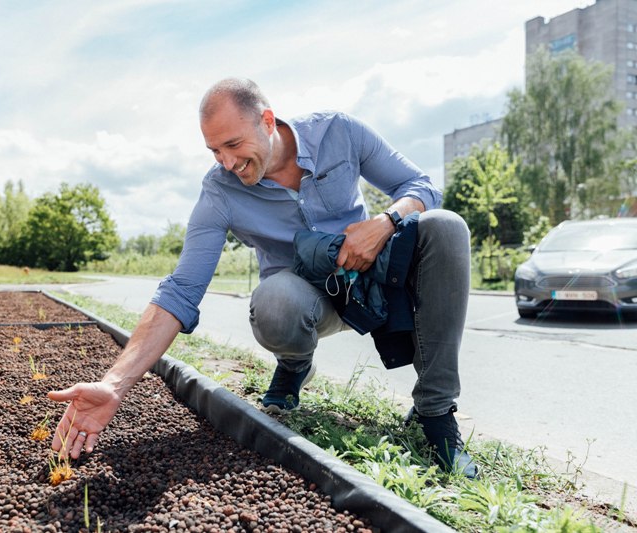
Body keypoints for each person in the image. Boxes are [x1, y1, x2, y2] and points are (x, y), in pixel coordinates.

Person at [48, 78, 477, 478]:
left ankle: (435, 412)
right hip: (307, 296)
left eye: (234, 144)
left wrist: (383, 221)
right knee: (273, 302)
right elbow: (180, 291)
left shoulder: (338, 132)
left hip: (372, 274)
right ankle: (295, 364)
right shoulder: (220, 192)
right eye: (215, 151)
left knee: (446, 225)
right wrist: (114, 383)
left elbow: (421, 185)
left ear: (267, 121)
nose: (228, 162)